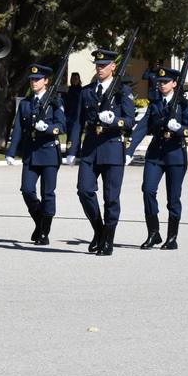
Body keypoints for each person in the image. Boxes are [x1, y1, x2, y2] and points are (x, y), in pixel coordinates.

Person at [66, 48, 135, 256]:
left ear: (113, 66)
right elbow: (77, 121)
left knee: (111, 198)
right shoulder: (86, 91)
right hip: (90, 149)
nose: (100, 68)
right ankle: (99, 229)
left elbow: (130, 120)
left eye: (104, 65)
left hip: (112, 147)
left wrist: (115, 121)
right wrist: (72, 148)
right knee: (84, 190)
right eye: (97, 65)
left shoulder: (123, 91)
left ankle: (108, 240)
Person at [127, 66, 188, 250]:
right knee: (148, 190)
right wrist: (129, 149)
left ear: (174, 83)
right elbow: (142, 127)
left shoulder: (183, 104)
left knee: (173, 198)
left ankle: (172, 238)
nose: (162, 84)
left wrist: (179, 129)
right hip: (156, 153)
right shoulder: (155, 104)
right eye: (160, 82)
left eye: (165, 82)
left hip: (175, 154)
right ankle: (153, 234)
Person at [6, 64, 66, 246]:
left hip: (48, 152)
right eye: (32, 79)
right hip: (31, 153)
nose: (33, 82)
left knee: (48, 193)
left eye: (37, 79)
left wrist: (48, 128)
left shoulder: (55, 101)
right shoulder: (26, 103)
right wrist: (10, 152)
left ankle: (44, 232)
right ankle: (39, 221)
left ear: (46, 81)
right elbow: (18, 129)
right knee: (27, 190)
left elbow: (62, 127)